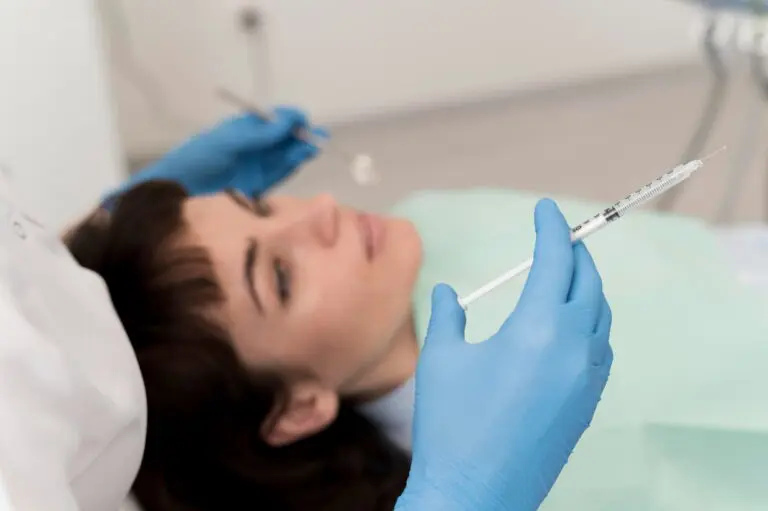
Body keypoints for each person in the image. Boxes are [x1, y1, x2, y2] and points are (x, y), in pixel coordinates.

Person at [60, 109, 611, 511]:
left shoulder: (429, 221)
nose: (321, 209)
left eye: (257, 205)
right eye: (280, 276)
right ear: (298, 408)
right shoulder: (511, 463)